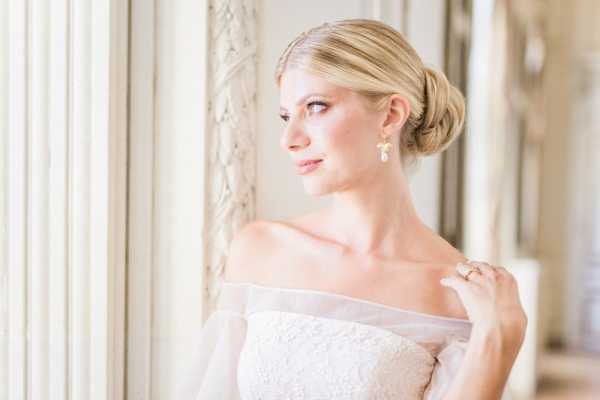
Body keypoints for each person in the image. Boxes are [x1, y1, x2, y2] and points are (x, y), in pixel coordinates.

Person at [177, 18, 527, 399]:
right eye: (286, 116)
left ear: (391, 115)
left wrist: (496, 342)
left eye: (315, 107)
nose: (289, 138)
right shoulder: (259, 250)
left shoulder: (453, 292)